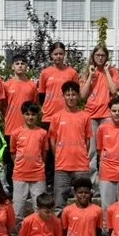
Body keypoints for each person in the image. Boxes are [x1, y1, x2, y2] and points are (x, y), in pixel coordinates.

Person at [37, 42, 79, 190]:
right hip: (49, 117)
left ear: (64, 54)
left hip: (66, 118)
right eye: (55, 54)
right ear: (51, 55)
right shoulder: (45, 73)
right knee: (48, 151)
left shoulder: (72, 73)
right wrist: (47, 107)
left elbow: (75, 92)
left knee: (65, 150)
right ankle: (49, 181)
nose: (58, 56)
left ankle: (70, 183)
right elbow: (41, 94)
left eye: (61, 53)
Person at [79, 46, 119, 181]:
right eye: (97, 55)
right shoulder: (87, 72)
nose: (100, 58)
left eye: (103, 55)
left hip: (107, 116)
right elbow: (83, 96)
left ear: (107, 57)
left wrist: (107, 71)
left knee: (107, 148)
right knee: (91, 151)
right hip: (91, 116)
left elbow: (113, 90)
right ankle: (92, 183)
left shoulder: (113, 71)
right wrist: (91, 75)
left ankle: (107, 178)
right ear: (93, 56)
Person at [50, 82, 92, 210]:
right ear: (63, 96)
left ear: (78, 96)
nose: (71, 97)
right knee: (58, 203)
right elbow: (53, 140)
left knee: (84, 202)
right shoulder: (56, 117)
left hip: (81, 166)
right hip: (62, 166)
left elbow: (88, 140)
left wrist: (82, 154)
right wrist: (58, 156)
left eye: (73, 94)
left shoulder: (85, 116)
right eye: (67, 94)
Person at [3, 51, 38, 191]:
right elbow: (3, 105)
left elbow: (34, 106)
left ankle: (29, 186)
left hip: (28, 128)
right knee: (11, 160)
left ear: (27, 67)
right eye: (17, 63)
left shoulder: (32, 85)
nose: (20, 66)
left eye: (23, 64)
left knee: (28, 157)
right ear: (12, 67)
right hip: (11, 128)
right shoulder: (6, 85)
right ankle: (12, 187)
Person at [9, 102, 48, 224]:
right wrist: (20, 165)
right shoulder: (16, 133)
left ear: (37, 116)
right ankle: (16, 234)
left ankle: (39, 234)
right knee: (18, 209)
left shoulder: (42, 133)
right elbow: (13, 152)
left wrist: (38, 164)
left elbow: (44, 153)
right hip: (20, 175)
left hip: (38, 175)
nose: (30, 117)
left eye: (33, 114)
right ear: (23, 115)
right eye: (27, 114)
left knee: (40, 208)